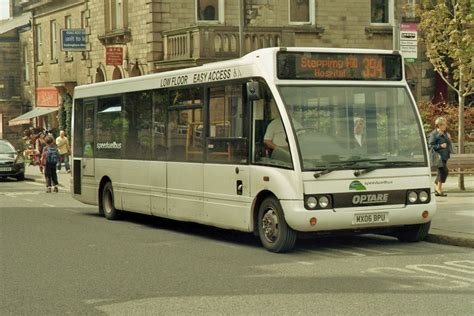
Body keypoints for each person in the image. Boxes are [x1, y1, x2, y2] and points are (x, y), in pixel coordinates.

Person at [428, 117, 453, 197]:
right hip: (438, 157)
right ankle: (438, 188)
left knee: (440, 172)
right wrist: (440, 145)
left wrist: (448, 138)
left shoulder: (445, 133)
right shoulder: (434, 134)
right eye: (444, 125)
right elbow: (430, 145)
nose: (446, 126)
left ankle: (437, 187)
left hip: (445, 155)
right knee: (444, 171)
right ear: (439, 125)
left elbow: (448, 143)